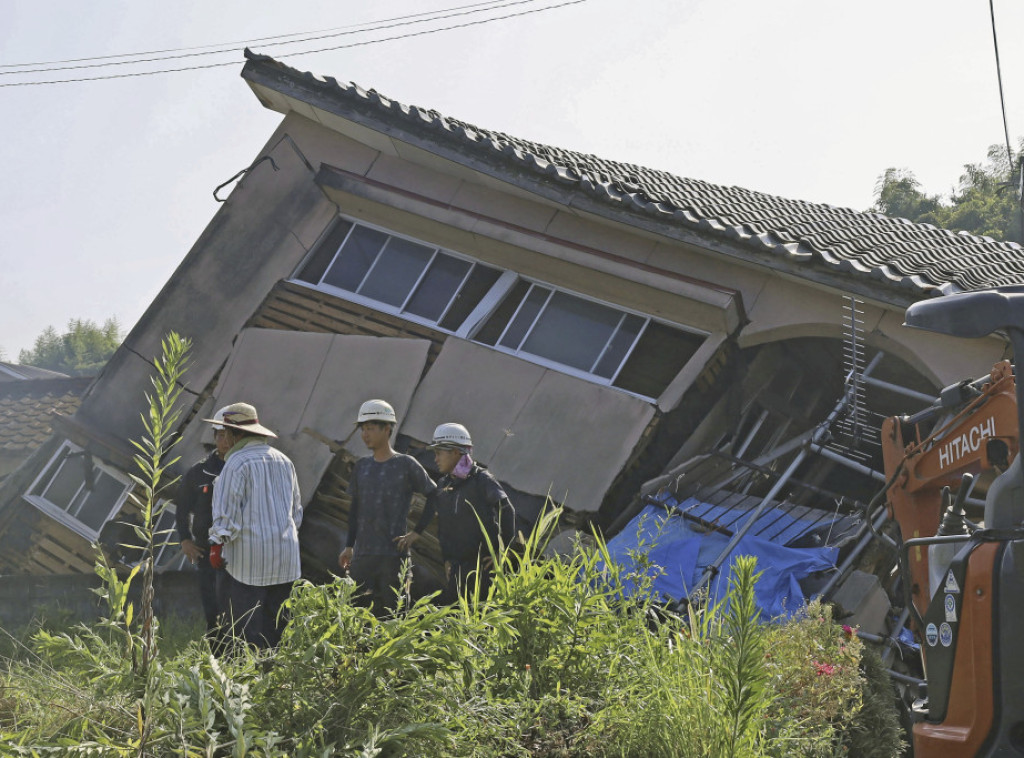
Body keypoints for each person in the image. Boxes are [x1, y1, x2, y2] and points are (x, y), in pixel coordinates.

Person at [207, 402, 302, 650]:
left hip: (248, 564)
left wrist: (217, 544)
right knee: (279, 630)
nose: (223, 438)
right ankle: (277, 681)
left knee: (245, 630)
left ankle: (250, 682)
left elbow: (226, 518)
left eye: (225, 432)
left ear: (235, 434)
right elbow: (296, 514)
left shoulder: (236, 463)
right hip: (286, 560)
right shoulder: (284, 461)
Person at [398, 423, 516, 604]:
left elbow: (506, 509)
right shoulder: (444, 485)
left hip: (483, 567)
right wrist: (446, 559)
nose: (435, 459)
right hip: (457, 569)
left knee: (480, 618)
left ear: (455, 452)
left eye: (439, 453)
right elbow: (443, 524)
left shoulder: (481, 480)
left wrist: (503, 551)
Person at [338, 399, 436, 615]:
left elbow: (434, 495)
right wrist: (349, 546)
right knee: (351, 615)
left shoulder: (406, 464)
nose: (365, 434)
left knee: (395, 615)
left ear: (387, 429)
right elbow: (355, 509)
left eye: (371, 429)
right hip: (363, 555)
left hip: (394, 556)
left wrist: (416, 533)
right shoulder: (362, 467)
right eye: (363, 429)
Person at [175, 405, 231, 642]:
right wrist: (185, 540)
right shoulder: (199, 472)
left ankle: (241, 658)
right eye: (220, 435)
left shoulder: (246, 467)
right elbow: (181, 509)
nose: (225, 440)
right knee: (213, 609)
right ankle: (217, 659)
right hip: (206, 552)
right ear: (215, 438)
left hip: (238, 551)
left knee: (238, 607)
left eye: (230, 435)